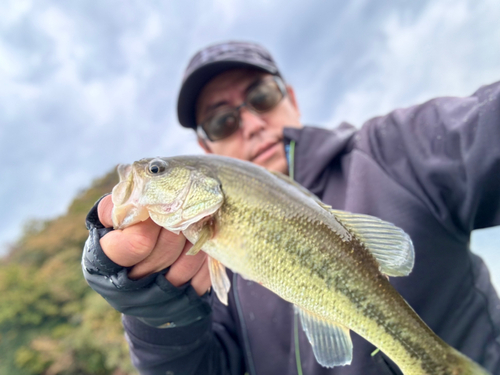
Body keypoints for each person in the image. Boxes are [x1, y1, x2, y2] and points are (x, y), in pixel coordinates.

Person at [82, 41, 500, 375]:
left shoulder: (396, 152)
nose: (250, 123)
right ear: (205, 147)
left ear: (291, 98)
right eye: (221, 121)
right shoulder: (201, 264)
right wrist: (158, 313)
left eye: (261, 96)